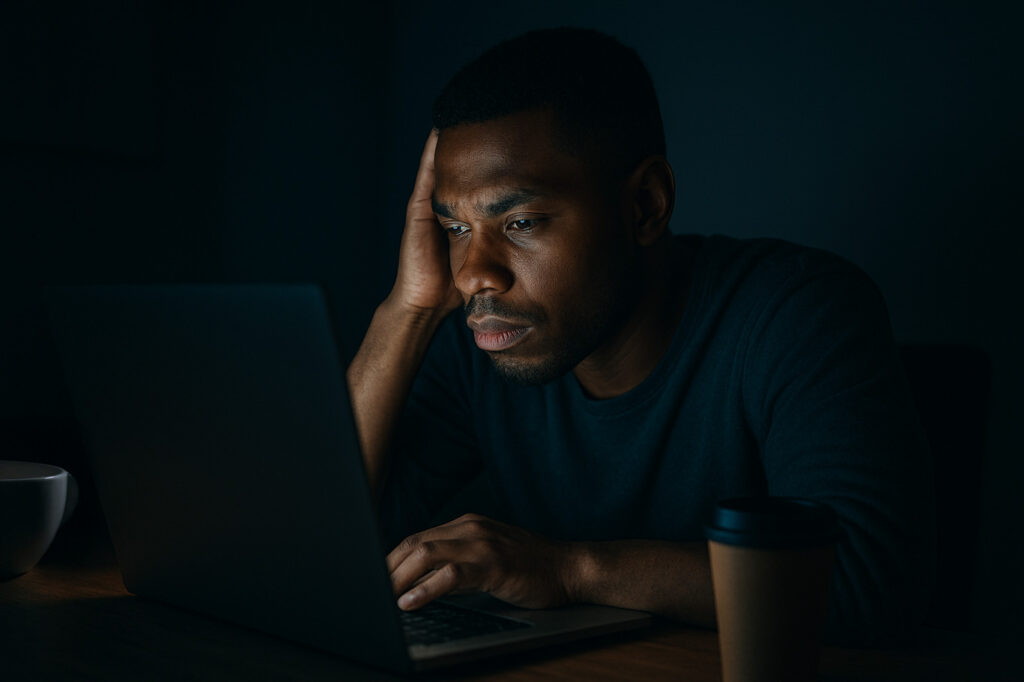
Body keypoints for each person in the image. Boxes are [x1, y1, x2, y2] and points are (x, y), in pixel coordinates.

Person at [345, 27, 934, 642]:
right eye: (456, 229)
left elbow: (867, 583)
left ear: (647, 205)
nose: (473, 277)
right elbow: (332, 541)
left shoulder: (796, 313)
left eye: (520, 221)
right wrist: (406, 312)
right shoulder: (489, 339)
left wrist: (570, 570)